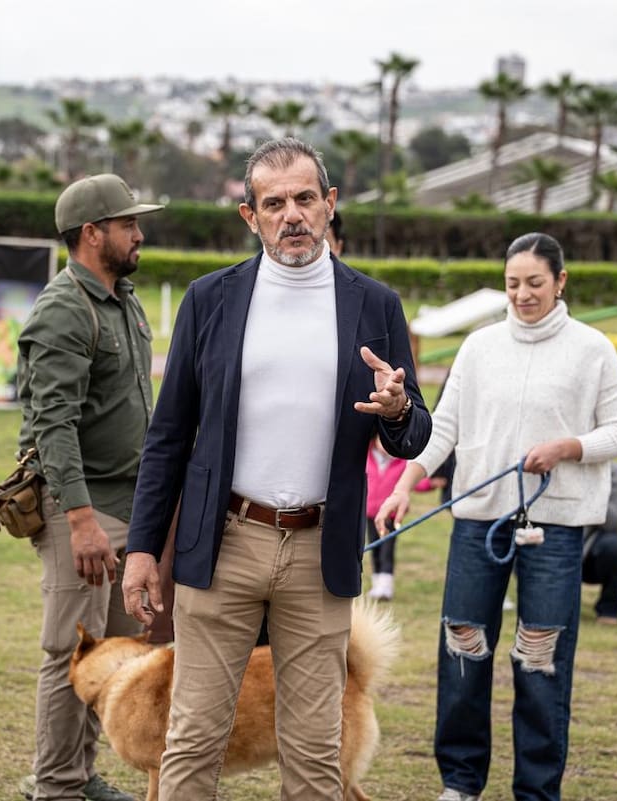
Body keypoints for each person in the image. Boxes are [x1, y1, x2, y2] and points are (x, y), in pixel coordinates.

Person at [121, 137, 431, 800]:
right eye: (274, 203)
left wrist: (398, 408)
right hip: (224, 542)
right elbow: (168, 435)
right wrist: (143, 548)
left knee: (315, 752)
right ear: (250, 215)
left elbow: (413, 436)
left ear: (330, 203)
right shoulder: (210, 299)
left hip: (321, 549)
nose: (292, 214)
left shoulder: (375, 304)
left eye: (305, 198)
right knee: (193, 738)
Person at [375, 232, 617, 801]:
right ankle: (460, 783)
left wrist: (568, 447)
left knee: (541, 660)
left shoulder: (593, 349)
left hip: (556, 527)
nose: (522, 294)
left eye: (535, 283)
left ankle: (536, 791)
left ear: (560, 282)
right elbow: (444, 426)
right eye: (513, 283)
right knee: (463, 649)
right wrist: (405, 484)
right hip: (478, 521)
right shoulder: (479, 346)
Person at [15, 173, 163, 801]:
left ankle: (81, 775)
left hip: (126, 504)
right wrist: (79, 521)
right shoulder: (63, 310)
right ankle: (55, 786)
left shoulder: (121, 298)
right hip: (82, 508)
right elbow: (53, 424)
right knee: (68, 653)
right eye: (128, 224)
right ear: (92, 233)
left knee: (109, 650)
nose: (139, 233)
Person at [364, 434, 432, 601]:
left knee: (387, 549)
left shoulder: (402, 463)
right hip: (370, 514)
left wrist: (431, 483)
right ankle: (377, 583)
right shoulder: (366, 458)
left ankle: (386, 586)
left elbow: (416, 482)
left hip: (390, 515)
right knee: (374, 548)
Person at [582, 461, 617, 625]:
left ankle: (609, 607)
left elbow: (614, 522)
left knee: (614, 546)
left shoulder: (612, 470)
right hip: (554, 546)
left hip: (591, 554)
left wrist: (587, 493)